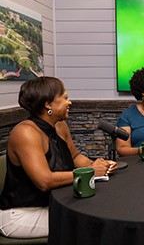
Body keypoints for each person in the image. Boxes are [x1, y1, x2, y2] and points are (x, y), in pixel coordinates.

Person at [0, 76, 116, 238]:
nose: (69, 102)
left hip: (54, 204)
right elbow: (45, 181)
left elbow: (75, 156)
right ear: (48, 104)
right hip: (22, 215)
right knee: (92, 223)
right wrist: (91, 171)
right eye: (65, 98)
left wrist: (97, 165)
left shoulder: (60, 125)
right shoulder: (25, 133)